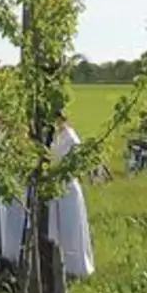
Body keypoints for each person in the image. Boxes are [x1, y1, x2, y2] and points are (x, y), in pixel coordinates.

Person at [48, 111, 95, 278]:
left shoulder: (70, 137)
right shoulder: (53, 136)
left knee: (71, 226)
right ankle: (58, 264)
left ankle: (75, 266)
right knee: (56, 228)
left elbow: (76, 164)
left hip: (67, 186)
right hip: (54, 187)